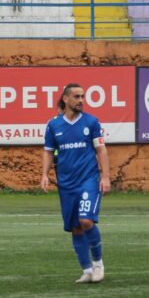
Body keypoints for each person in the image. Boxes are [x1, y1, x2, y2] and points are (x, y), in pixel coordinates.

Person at [41, 83, 111, 284]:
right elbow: (48, 151)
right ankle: (87, 270)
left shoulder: (91, 122)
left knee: (86, 221)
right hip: (66, 184)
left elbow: (101, 150)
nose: (81, 100)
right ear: (65, 99)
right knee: (76, 228)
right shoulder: (53, 125)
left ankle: (98, 263)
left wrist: (105, 177)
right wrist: (44, 174)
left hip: (88, 179)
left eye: (83, 96)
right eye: (77, 96)